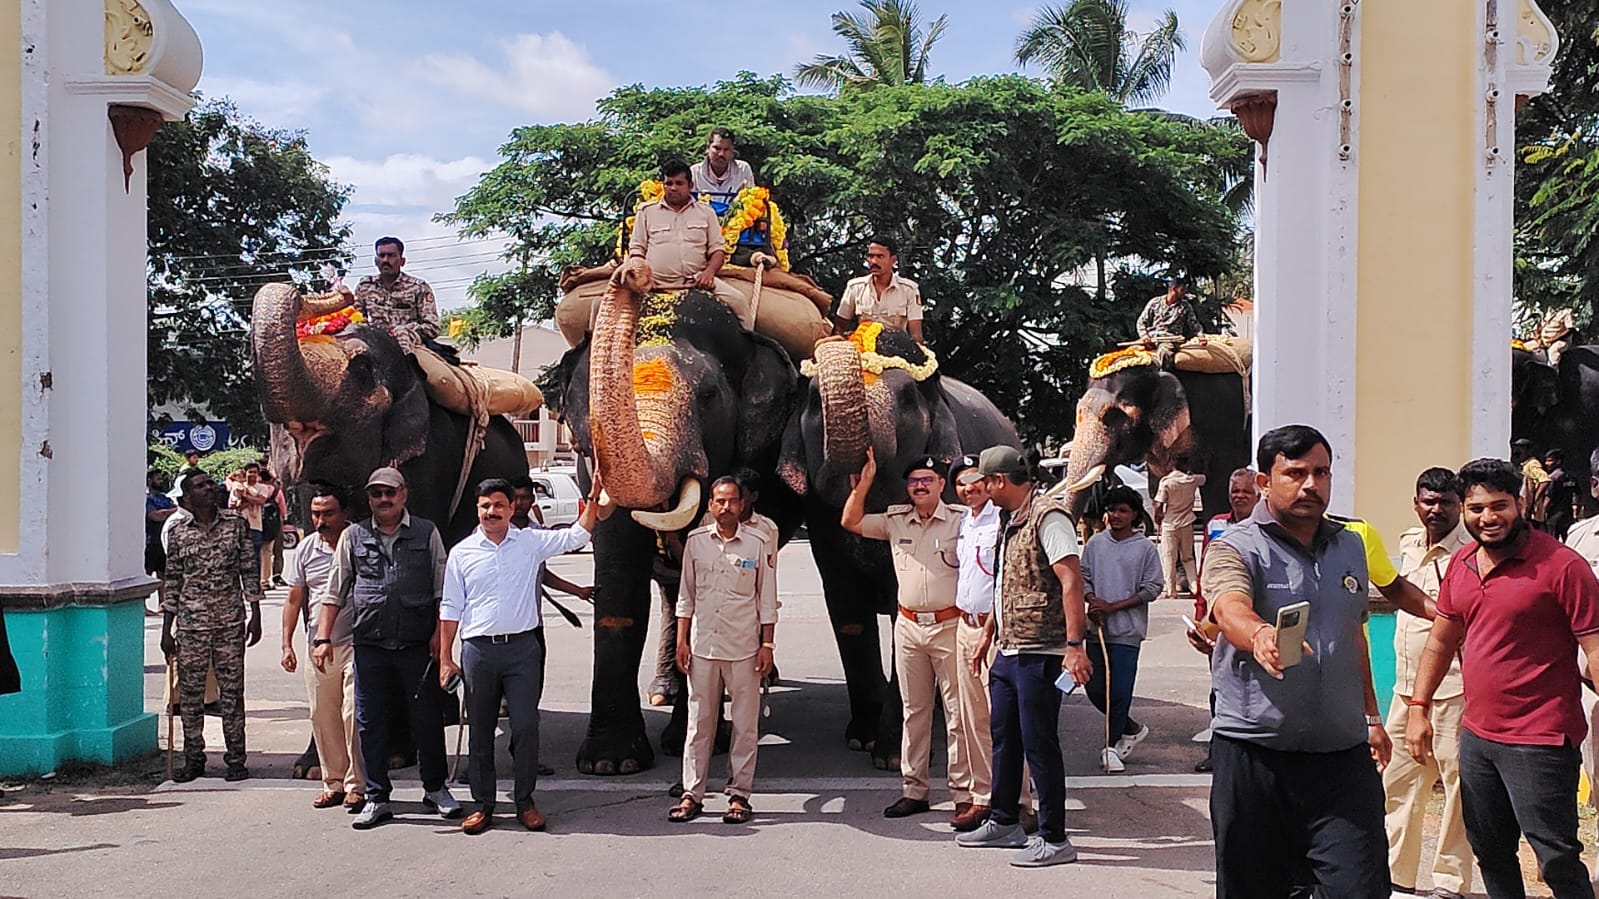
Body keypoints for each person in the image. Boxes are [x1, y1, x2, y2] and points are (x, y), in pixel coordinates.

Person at [1200, 425, 1390, 898]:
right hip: (1255, 753)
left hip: (1341, 756)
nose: (1311, 484)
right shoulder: (1235, 545)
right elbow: (1228, 608)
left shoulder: (1349, 544)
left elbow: (1354, 634)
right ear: (1265, 481)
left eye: (1321, 472)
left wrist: (1372, 716)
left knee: (1360, 888)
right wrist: (1260, 633)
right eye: (1296, 473)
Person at [1407, 458, 1599, 899]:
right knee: (1490, 852)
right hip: (1478, 738)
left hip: (1542, 740)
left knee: (1555, 858)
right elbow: (1440, 641)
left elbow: (1594, 647)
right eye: (1476, 508)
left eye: (1499, 505)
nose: (1488, 518)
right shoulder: (1462, 563)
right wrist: (1419, 708)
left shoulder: (1562, 567)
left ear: (1521, 502)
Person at [440, 476, 601, 834]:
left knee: (526, 725)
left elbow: (576, 536)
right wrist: (445, 658)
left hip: (522, 650)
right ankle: (483, 804)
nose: (491, 512)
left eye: (499, 505)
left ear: (513, 509)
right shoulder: (461, 553)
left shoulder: (530, 542)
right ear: (477, 509)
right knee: (480, 730)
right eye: (485, 506)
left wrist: (592, 500)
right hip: (478, 651)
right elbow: (450, 607)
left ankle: (525, 801)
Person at [958, 445, 1088, 867]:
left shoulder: (1048, 517)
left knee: (1040, 744)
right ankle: (1004, 820)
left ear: (999, 481)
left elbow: (1070, 581)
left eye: (984, 482)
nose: (980, 489)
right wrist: (988, 636)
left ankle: (1054, 838)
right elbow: (1007, 585)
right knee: (1006, 739)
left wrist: (1074, 647)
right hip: (1009, 649)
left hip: (1042, 652)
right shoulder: (1009, 520)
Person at [314, 467, 459, 830]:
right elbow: (334, 592)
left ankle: (436, 788)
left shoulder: (426, 533)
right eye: (377, 494)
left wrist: (441, 641)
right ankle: (377, 797)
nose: (384, 500)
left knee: (426, 720)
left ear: (403, 495)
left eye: (389, 493)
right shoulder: (353, 535)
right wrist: (322, 638)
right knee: (370, 723)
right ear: (369, 499)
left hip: (415, 644)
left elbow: (444, 591)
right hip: (370, 645)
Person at [842, 451, 972, 821]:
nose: (919, 486)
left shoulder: (961, 522)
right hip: (910, 627)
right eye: (914, 481)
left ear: (941, 486)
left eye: (927, 480)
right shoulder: (897, 520)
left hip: (950, 626)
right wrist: (864, 483)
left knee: (955, 713)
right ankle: (914, 790)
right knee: (913, 712)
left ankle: (962, 793)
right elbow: (850, 521)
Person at [1382, 467, 1472, 899]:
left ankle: (1450, 882)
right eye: (1428, 501)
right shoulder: (1408, 542)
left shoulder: (1471, 551)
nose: (1436, 510)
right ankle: (1397, 877)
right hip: (1405, 686)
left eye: (1445, 503)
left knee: (1458, 786)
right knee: (1398, 783)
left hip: (1456, 687)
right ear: (1416, 503)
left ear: (1458, 504)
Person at [667, 476, 777, 825]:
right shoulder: (697, 543)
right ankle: (692, 793)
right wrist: (681, 642)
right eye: (718, 501)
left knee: (745, 725)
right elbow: (686, 597)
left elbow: (767, 601)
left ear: (742, 504)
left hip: (744, 648)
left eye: (731, 501)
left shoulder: (758, 543)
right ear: (710, 505)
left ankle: (740, 794)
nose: (725, 507)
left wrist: (767, 646)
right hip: (702, 647)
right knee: (699, 723)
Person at [160, 471, 264, 783]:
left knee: (232, 693)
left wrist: (255, 611)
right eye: (201, 486)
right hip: (191, 626)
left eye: (210, 484)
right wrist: (167, 628)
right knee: (190, 696)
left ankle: (236, 759)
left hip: (230, 622)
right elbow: (173, 581)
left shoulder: (235, 524)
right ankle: (194, 759)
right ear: (188, 497)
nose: (210, 489)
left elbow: (249, 568)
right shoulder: (178, 533)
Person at [280, 485, 364, 813]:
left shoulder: (360, 542)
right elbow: (293, 599)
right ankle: (334, 782)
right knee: (322, 714)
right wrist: (287, 645)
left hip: (357, 643)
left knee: (352, 714)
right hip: (318, 646)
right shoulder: (305, 550)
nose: (321, 520)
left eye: (328, 513)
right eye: (316, 514)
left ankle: (358, 785)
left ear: (343, 513)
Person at [1081, 484, 1163, 773]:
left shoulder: (1145, 549)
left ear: (1134, 514)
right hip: (1097, 630)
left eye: (1122, 510)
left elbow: (1153, 587)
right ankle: (1131, 727)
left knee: (1119, 691)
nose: (1115, 515)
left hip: (1127, 632)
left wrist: (1114, 607)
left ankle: (1112, 745)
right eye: (1111, 509)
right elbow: (1083, 577)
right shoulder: (1094, 544)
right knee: (1093, 688)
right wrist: (1093, 601)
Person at [1187, 467, 1258, 772]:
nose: (1239, 496)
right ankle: (1219, 752)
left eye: (1246, 491)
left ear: (1258, 495)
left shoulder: (1264, 528)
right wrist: (1201, 618)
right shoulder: (1216, 524)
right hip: (1216, 618)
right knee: (1220, 685)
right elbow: (1206, 573)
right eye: (1235, 491)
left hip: (1252, 617)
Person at [627, 159, 749, 326]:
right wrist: (642, 275)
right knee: (602, 306)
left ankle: (749, 350)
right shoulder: (646, 211)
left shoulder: (706, 212)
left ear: (691, 185)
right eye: (668, 183)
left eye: (679, 183)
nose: (673, 188)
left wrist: (709, 273)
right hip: (654, 283)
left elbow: (718, 251)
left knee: (739, 301)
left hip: (696, 281)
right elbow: (636, 250)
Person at [949, 454, 1002, 831]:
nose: (969, 489)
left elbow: (1003, 580)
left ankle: (1018, 799)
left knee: (1004, 718)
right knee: (972, 720)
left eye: (975, 481)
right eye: (961, 484)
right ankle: (983, 797)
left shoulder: (1002, 521)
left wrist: (990, 628)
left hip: (994, 630)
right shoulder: (964, 522)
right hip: (964, 627)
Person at [353, 237, 440, 355]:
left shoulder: (419, 287)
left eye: (391, 255)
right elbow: (355, 319)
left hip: (411, 345)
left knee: (438, 373)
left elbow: (433, 327)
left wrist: (405, 330)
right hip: (373, 343)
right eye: (381, 255)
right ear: (376, 261)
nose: (385, 260)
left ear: (402, 261)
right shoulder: (365, 286)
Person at [833, 237, 925, 344]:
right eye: (870, 256)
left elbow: (916, 335)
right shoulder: (855, 287)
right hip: (862, 348)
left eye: (880, 256)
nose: (874, 261)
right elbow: (839, 328)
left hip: (896, 351)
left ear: (893, 260)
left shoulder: (909, 290)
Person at [1153, 458, 1205, 599]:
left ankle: (1171, 591)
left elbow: (1158, 504)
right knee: (1188, 558)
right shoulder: (1192, 480)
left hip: (1170, 524)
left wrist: (1157, 517)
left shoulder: (1167, 482)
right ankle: (1195, 588)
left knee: (1169, 557)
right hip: (1187, 523)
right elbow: (1204, 479)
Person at [228, 463, 270, 583]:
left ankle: (255, 584)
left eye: (254, 472)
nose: (252, 475)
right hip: (239, 526)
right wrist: (248, 501)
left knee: (255, 557)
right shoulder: (237, 486)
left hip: (255, 526)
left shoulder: (262, 488)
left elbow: (261, 501)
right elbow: (232, 505)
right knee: (237, 556)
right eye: (250, 472)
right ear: (245, 473)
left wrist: (245, 497)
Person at [691, 126, 756, 203]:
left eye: (726, 149)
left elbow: (751, 202)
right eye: (717, 148)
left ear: (732, 151)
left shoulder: (743, 170)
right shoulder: (694, 172)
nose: (721, 154)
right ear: (708, 148)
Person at [146, 469, 178, 615]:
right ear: (149, 480)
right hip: (150, 541)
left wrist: (165, 512)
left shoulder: (165, 498)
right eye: (157, 479)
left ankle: (163, 603)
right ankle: (143, 606)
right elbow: (154, 516)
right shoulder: (147, 499)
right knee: (146, 573)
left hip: (164, 541)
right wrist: (168, 512)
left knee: (163, 575)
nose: (160, 481)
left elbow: (176, 510)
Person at [1513, 438, 1551, 531]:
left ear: (1528, 450)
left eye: (1521, 448)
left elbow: (1545, 480)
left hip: (1532, 513)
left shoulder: (1532, 464)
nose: (1518, 451)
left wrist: (1534, 501)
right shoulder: (1524, 465)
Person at [258, 469, 287, 592]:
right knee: (276, 551)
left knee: (260, 552)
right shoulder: (276, 491)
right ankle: (276, 575)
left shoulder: (257, 490)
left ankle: (261, 578)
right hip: (274, 523)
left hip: (258, 522)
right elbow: (283, 509)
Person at [1544, 449, 1579, 541]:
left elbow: (1548, 498)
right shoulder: (1572, 477)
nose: (1546, 463)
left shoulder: (1553, 478)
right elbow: (1578, 496)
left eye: (1550, 460)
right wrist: (1576, 512)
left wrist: (1542, 512)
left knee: (1552, 543)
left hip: (1554, 517)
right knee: (1569, 542)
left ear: (1558, 461)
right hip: (1568, 516)